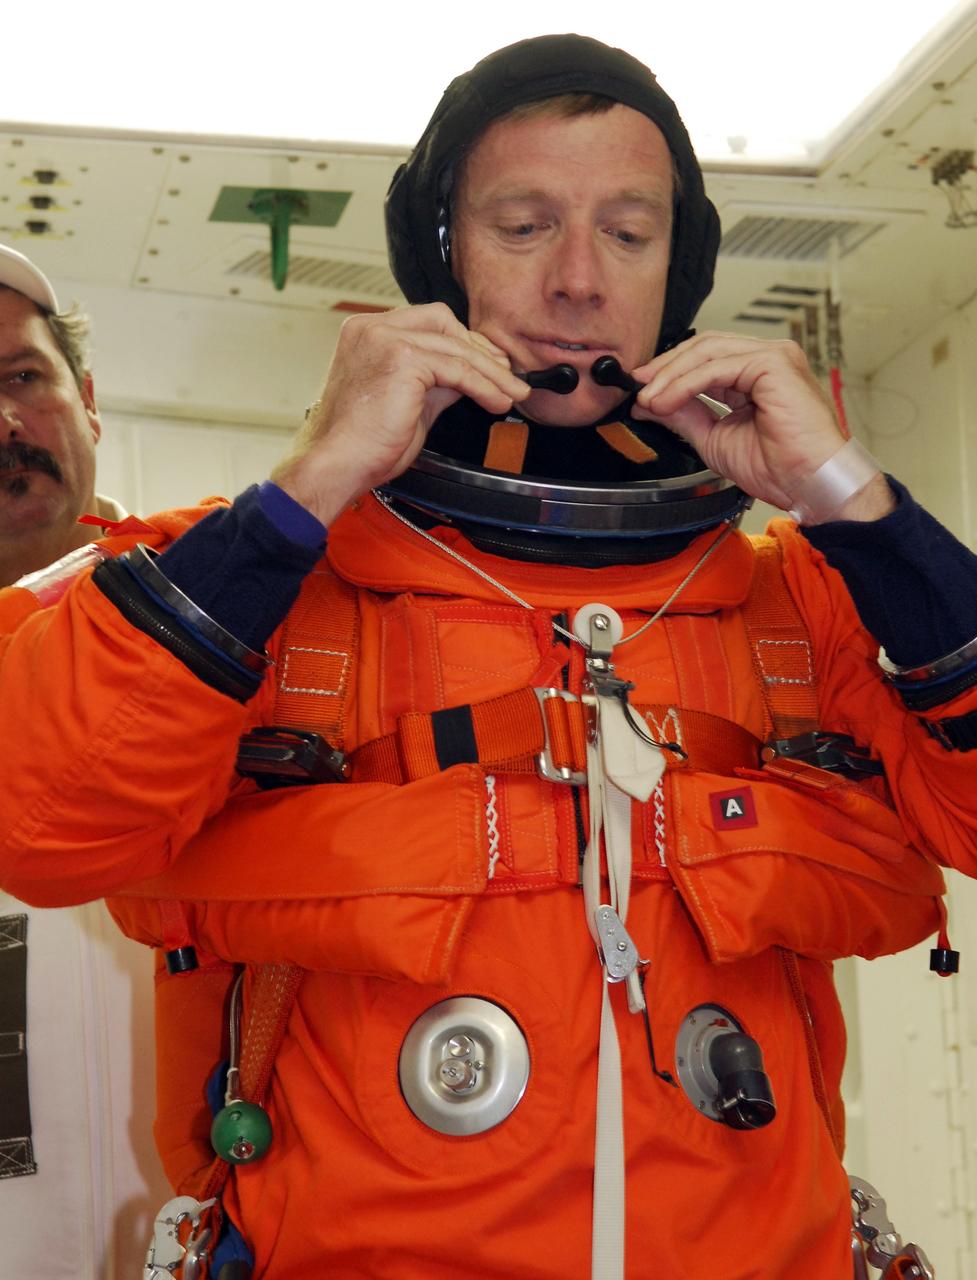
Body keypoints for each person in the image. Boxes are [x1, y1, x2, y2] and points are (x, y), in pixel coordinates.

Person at [1, 35, 976, 1280]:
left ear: (678, 267)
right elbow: (40, 822)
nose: (578, 281)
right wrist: (307, 486)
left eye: (627, 233)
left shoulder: (794, 600)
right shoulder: (269, 585)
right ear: (439, 252)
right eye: (523, 226)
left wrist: (858, 506)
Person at [0, 243, 167, 1279]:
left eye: (21, 377)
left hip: (222, 1224)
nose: (4, 424)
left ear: (88, 400)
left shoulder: (229, 624)